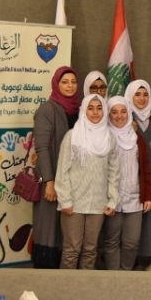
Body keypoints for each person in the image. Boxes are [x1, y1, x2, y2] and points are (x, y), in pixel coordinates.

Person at [55, 94, 119, 269]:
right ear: (84, 111)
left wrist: (113, 200)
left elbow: (114, 172)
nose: (95, 112)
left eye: (99, 108)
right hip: (74, 203)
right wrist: (65, 200)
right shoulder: (72, 136)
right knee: (71, 250)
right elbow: (62, 170)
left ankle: (85, 285)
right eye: (90, 109)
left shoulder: (109, 138)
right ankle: (66, 286)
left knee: (91, 250)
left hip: (98, 204)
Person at [32, 66, 80, 269]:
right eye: (65, 82)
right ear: (56, 84)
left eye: (73, 82)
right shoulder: (47, 109)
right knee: (49, 227)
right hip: (52, 178)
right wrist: (49, 181)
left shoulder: (80, 110)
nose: (70, 86)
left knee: (69, 228)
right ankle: (46, 271)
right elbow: (42, 148)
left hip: (74, 179)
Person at [103, 96, 151, 270]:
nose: (119, 116)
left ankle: (125, 275)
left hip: (135, 198)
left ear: (129, 113)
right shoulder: (103, 137)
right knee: (111, 241)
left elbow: (145, 168)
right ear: (108, 114)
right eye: (114, 112)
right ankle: (113, 277)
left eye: (123, 111)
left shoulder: (137, 138)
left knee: (132, 243)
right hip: (111, 199)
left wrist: (148, 196)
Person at [124, 80, 151, 271]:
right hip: (130, 179)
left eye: (145, 94)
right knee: (131, 221)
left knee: (150, 221)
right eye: (137, 94)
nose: (142, 99)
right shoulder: (123, 117)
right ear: (130, 96)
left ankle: (150, 259)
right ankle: (131, 261)